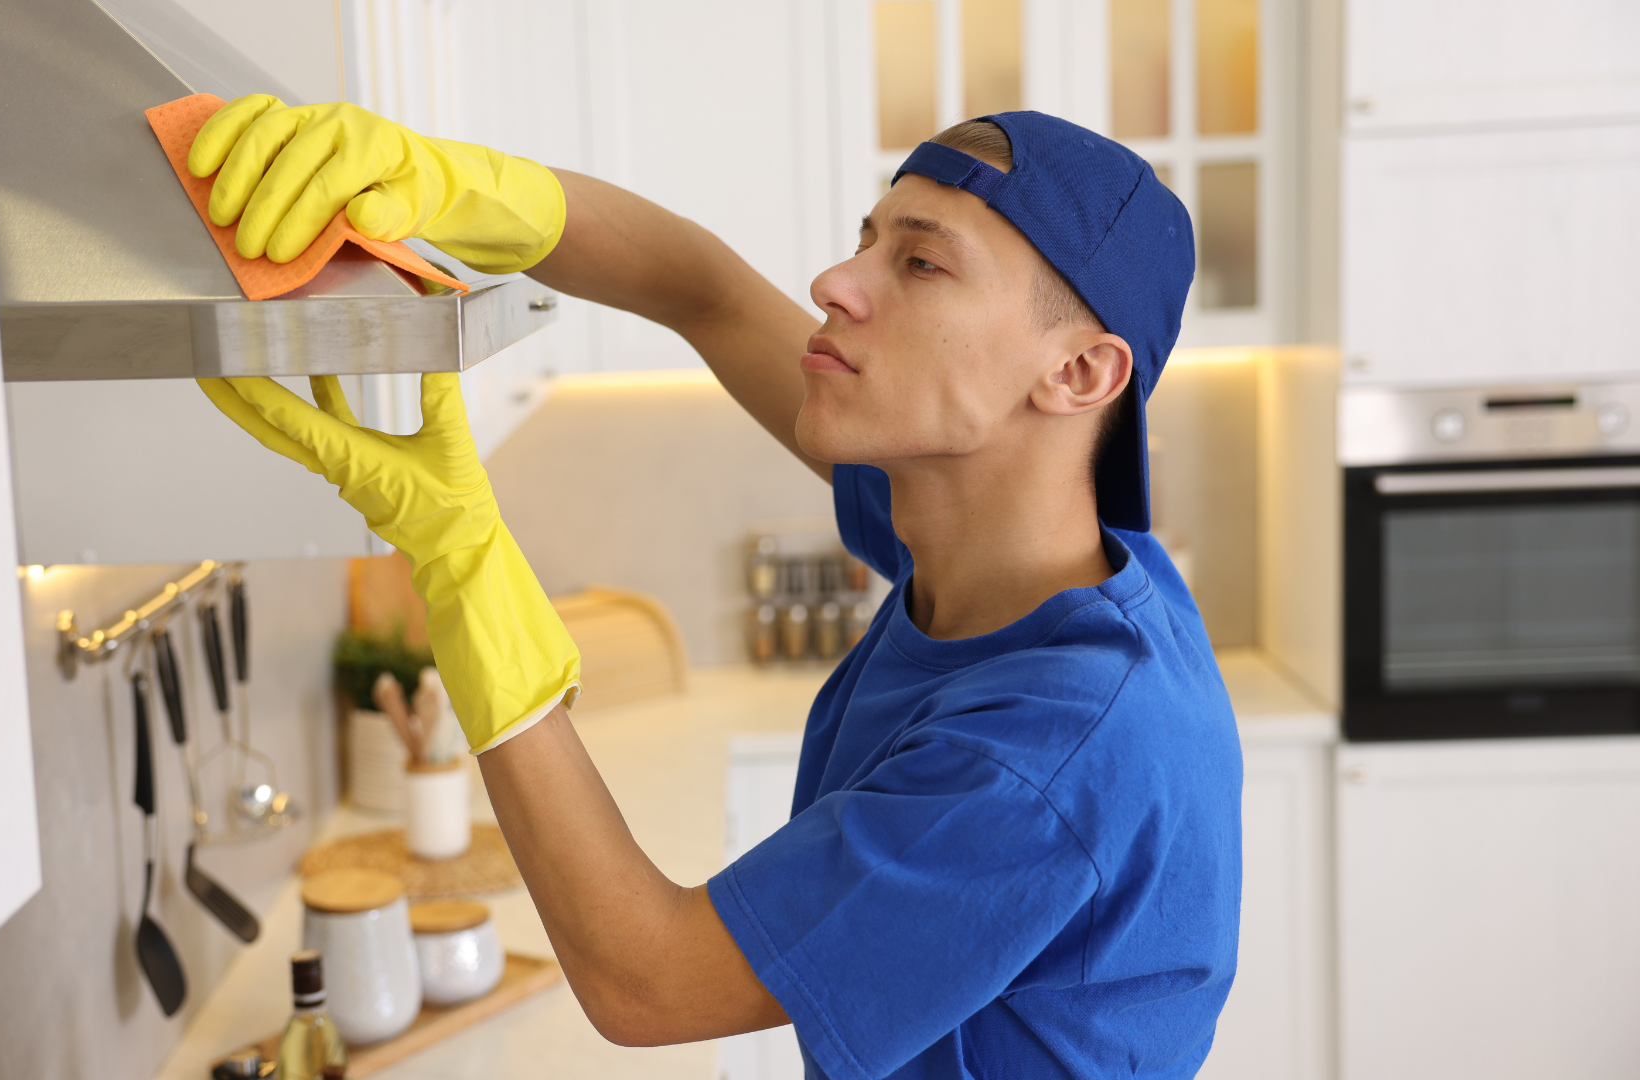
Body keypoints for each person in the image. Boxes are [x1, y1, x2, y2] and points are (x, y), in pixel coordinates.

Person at [190, 94, 1242, 1079]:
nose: (835, 280)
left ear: (1079, 373)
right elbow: (702, 288)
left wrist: (458, 555)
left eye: (920, 263)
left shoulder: (1048, 756)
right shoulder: (1009, 544)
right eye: (868, 238)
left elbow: (647, 981)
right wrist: (446, 182)